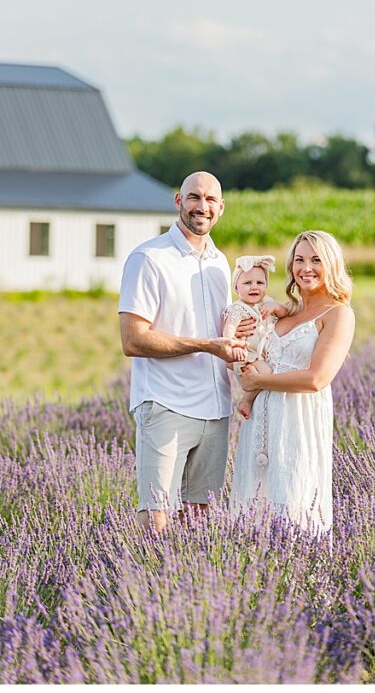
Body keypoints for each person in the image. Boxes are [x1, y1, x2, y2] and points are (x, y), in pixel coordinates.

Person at [118, 171, 252, 532]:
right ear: (178, 201)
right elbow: (133, 340)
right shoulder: (148, 258)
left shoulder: (220, 263)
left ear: (221, 208)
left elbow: (221, 328)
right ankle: (146, 587)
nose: (202, 207)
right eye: (194, 197)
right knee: (156, 516)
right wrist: (209, 346)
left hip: (215, 407)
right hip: (166, 404)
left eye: (210, 200)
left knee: (201, 518)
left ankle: (188, 588)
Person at [231, 230, 356, 535]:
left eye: (316, 260)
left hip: (297, 424)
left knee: (293, 508)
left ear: (332, 265)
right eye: (299, 260)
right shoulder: (281, 313)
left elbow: (317, 378)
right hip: (259, 424)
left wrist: (260, 379)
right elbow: (250, 354)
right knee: (250, 516)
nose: (306, 267)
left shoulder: (339, 314)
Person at [221, 255, 290, 420]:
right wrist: (233, 346)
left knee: (274, 370)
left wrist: (275, 307)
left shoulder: (267, 302)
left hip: (263, 354)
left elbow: (285, 313)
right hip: (247, 357)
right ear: (236, 288)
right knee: (267, 372)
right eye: (247, 283)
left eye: (260, 283)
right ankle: (247, 400)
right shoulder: (238, 309)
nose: (254, 287)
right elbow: (229, 329)